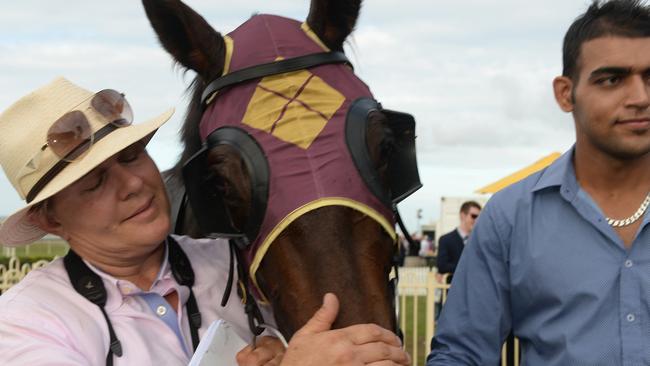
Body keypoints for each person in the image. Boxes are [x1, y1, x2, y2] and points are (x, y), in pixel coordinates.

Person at [0, 77, 410, 366]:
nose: (134, 183)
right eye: (95, 183)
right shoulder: (27, 324)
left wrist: (278, 347)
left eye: (132, 156)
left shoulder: (236, 263)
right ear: (49, 218)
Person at [427, 0, 650, 365]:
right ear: (566, 93)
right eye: (612, 79)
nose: (640, 98)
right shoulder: (510, 217)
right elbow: (462, 353)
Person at [435, 201, 481, 281]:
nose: (477, 220)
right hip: (452, 289)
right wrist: (470, 267)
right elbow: (442, 266)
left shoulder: (480, 241)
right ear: (462, 216)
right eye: (474, 216)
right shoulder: (446, 240)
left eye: (479, 217)